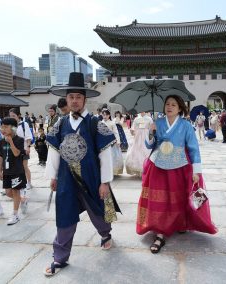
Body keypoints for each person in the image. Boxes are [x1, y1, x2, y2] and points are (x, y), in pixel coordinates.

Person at [44, 72, 121, 277]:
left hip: (92, 177)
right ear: (67, 100)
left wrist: (105, 182)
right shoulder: (60, 124)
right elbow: (54, 151)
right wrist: (53, 176)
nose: (75, 101)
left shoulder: (96, 123)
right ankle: (60, 257)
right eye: (71, 97)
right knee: (65, 216)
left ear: (85, 99)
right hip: (67, 179)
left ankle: (105, 234)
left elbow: (105, 155)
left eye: (79, 97)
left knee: (98, 211)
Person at [137, 95, 217, 254]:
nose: (170, 107)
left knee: (179, 197)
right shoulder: (158, 123)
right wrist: (151, 132)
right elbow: (149, 144)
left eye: (174, 104)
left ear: (180, 108)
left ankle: (179, 222)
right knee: (160, 199)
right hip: (158, 165)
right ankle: (160, 232)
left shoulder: (186, 125)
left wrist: (196, 171)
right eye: (167, 104)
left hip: (179, 165)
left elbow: (193, 148)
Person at [0, 117, 26, 225]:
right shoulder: (1, 142)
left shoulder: (19, 140)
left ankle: (15, 215)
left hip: (17, 171)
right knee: (8, 193)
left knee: (15, 191)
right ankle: (22, 200)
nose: (2, 129)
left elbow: (17, 153)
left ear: (13, 128)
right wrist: (0, 171)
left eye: (5, 127)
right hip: (7, 171)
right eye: (2, 127)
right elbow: (0, 157)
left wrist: (11, 142)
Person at [9, 108, 33, 192]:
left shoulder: (24, 124)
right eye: (10, 116)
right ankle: (16, 184)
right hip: (13, 150)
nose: (12, 117)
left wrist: (28, 147)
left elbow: (28, 137)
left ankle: (29, 183)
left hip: (23, 149)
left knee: (24, 166)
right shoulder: (10, 125)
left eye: (14, 116)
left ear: (18, 115)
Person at [125, 111, 152, 177]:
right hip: (138, 136)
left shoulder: (149, 118)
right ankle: (138, 169)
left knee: (145, 149)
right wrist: (132, 131)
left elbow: (151, 128)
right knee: (137, 150)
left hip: (145, 135)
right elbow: (133, 127)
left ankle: (146, 168)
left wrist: (151, 135)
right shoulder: (137, 119)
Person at [102, 109, 124, 175]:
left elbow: (116, 132)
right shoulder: (100, 123)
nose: (105, 116)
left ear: (109, 115)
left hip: (111, 142)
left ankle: (112, 171)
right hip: (103, 142)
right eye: (103, 115)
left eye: (106, 115)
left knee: (112, 156)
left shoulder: (112, 123)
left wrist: (118, 141)